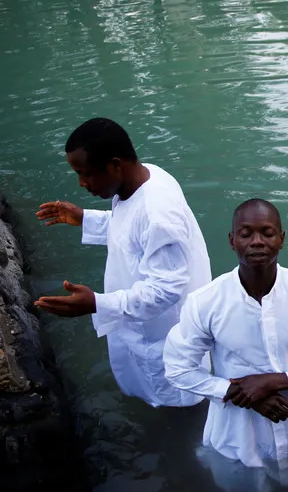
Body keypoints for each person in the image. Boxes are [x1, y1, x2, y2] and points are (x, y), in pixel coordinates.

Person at [163, 198, 288, 492]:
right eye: (246, 234)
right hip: (239, 439)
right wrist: (239, 393)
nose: (257, 241)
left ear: (282, 239)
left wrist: (275, 382)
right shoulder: (206, 302)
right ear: (232, 241)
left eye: (267, 233)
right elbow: (177, 369)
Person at [34, 117, 211, 408]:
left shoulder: (157, 214)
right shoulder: (147, 177)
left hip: (165, 336)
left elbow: (166, 290)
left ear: (115, 165)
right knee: (152, 389)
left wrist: (97, 304)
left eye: (86, 174)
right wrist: (85, 219)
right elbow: (131, 234)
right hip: (143, 324)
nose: (82, 183)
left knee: (177, 402)